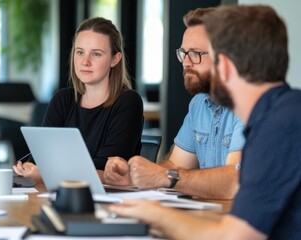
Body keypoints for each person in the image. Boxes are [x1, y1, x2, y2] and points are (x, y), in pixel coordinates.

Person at [110, 5, 301, 239]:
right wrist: (136, 178)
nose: (187, 63)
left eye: (200, 54)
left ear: (228, 64)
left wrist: (156, 214)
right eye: (184, 53)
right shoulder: (279, 112)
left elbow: (234, 236)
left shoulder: (279, 125)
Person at [104, 7, 244, 200]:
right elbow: (174, 167)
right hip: (211, 218)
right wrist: (131, 177)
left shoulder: (250, 104)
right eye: (183, 53)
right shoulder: (199, 104)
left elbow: (234, 182)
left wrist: (163, 176)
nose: (186, 62)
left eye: (195, 53)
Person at [13, 17, 144, 181]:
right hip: (58, 194)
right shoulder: (63, 99)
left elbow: (107, 168)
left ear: (115, 59)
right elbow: (41, 158)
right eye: (80, 52)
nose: (85, 62)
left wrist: (50, 171)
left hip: (110, 199)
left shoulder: (128, 102)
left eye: (96, 54)